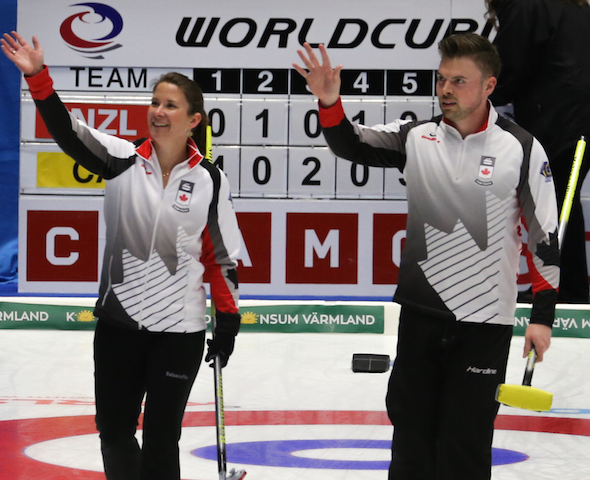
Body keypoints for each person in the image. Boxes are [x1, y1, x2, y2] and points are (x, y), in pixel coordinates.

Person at [294, 33, 558, 480]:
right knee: (411, 438)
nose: (446, 90)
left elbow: (544, 238)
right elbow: (351, 144)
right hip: (420, 313)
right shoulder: (416, 136)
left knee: (465, 444)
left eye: (459, 80)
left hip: (485, 323)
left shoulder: (522, 148)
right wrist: (329, 102)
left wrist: (543, 316)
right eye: (441, 79)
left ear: (488, 86)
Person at [2, 31, 242, 480]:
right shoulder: (121, 159)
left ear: (194, 120)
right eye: (155, 102)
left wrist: (227, 323)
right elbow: (68, 132)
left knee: (160, 438)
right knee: (113, 432)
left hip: (180, 332)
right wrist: (38, 78)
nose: (158, 111)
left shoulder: (211, 180)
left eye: (170, 105)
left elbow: (221, 258)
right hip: (118, 325)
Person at [486, 0, 590, 303]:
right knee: (560, 198)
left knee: (553, 201)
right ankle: (565, 289)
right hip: (573, 113)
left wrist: (482, 89)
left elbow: (507, 65)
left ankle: (563, 291)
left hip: (560, 116)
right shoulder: (572, 6)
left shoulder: (526, 4)